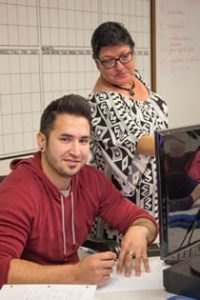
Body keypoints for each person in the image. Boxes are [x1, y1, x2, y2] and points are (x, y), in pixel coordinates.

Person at [0, 94, 158, 288]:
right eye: (65, 139)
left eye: (83, 141)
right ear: (42, 141)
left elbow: (143, 219)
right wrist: (74, 274)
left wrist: (139, 229)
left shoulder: (91, 179)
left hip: (74, 290)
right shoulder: (18, 191)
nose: (76, 152)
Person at [87, 21, 168, 239]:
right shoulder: (101, 102)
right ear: (97, 63)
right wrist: (187, 142)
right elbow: (142, 143)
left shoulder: (133, 78)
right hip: (122, 208)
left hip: (152, 201)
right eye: (109, 61)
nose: (120, 66)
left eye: (125, 56)